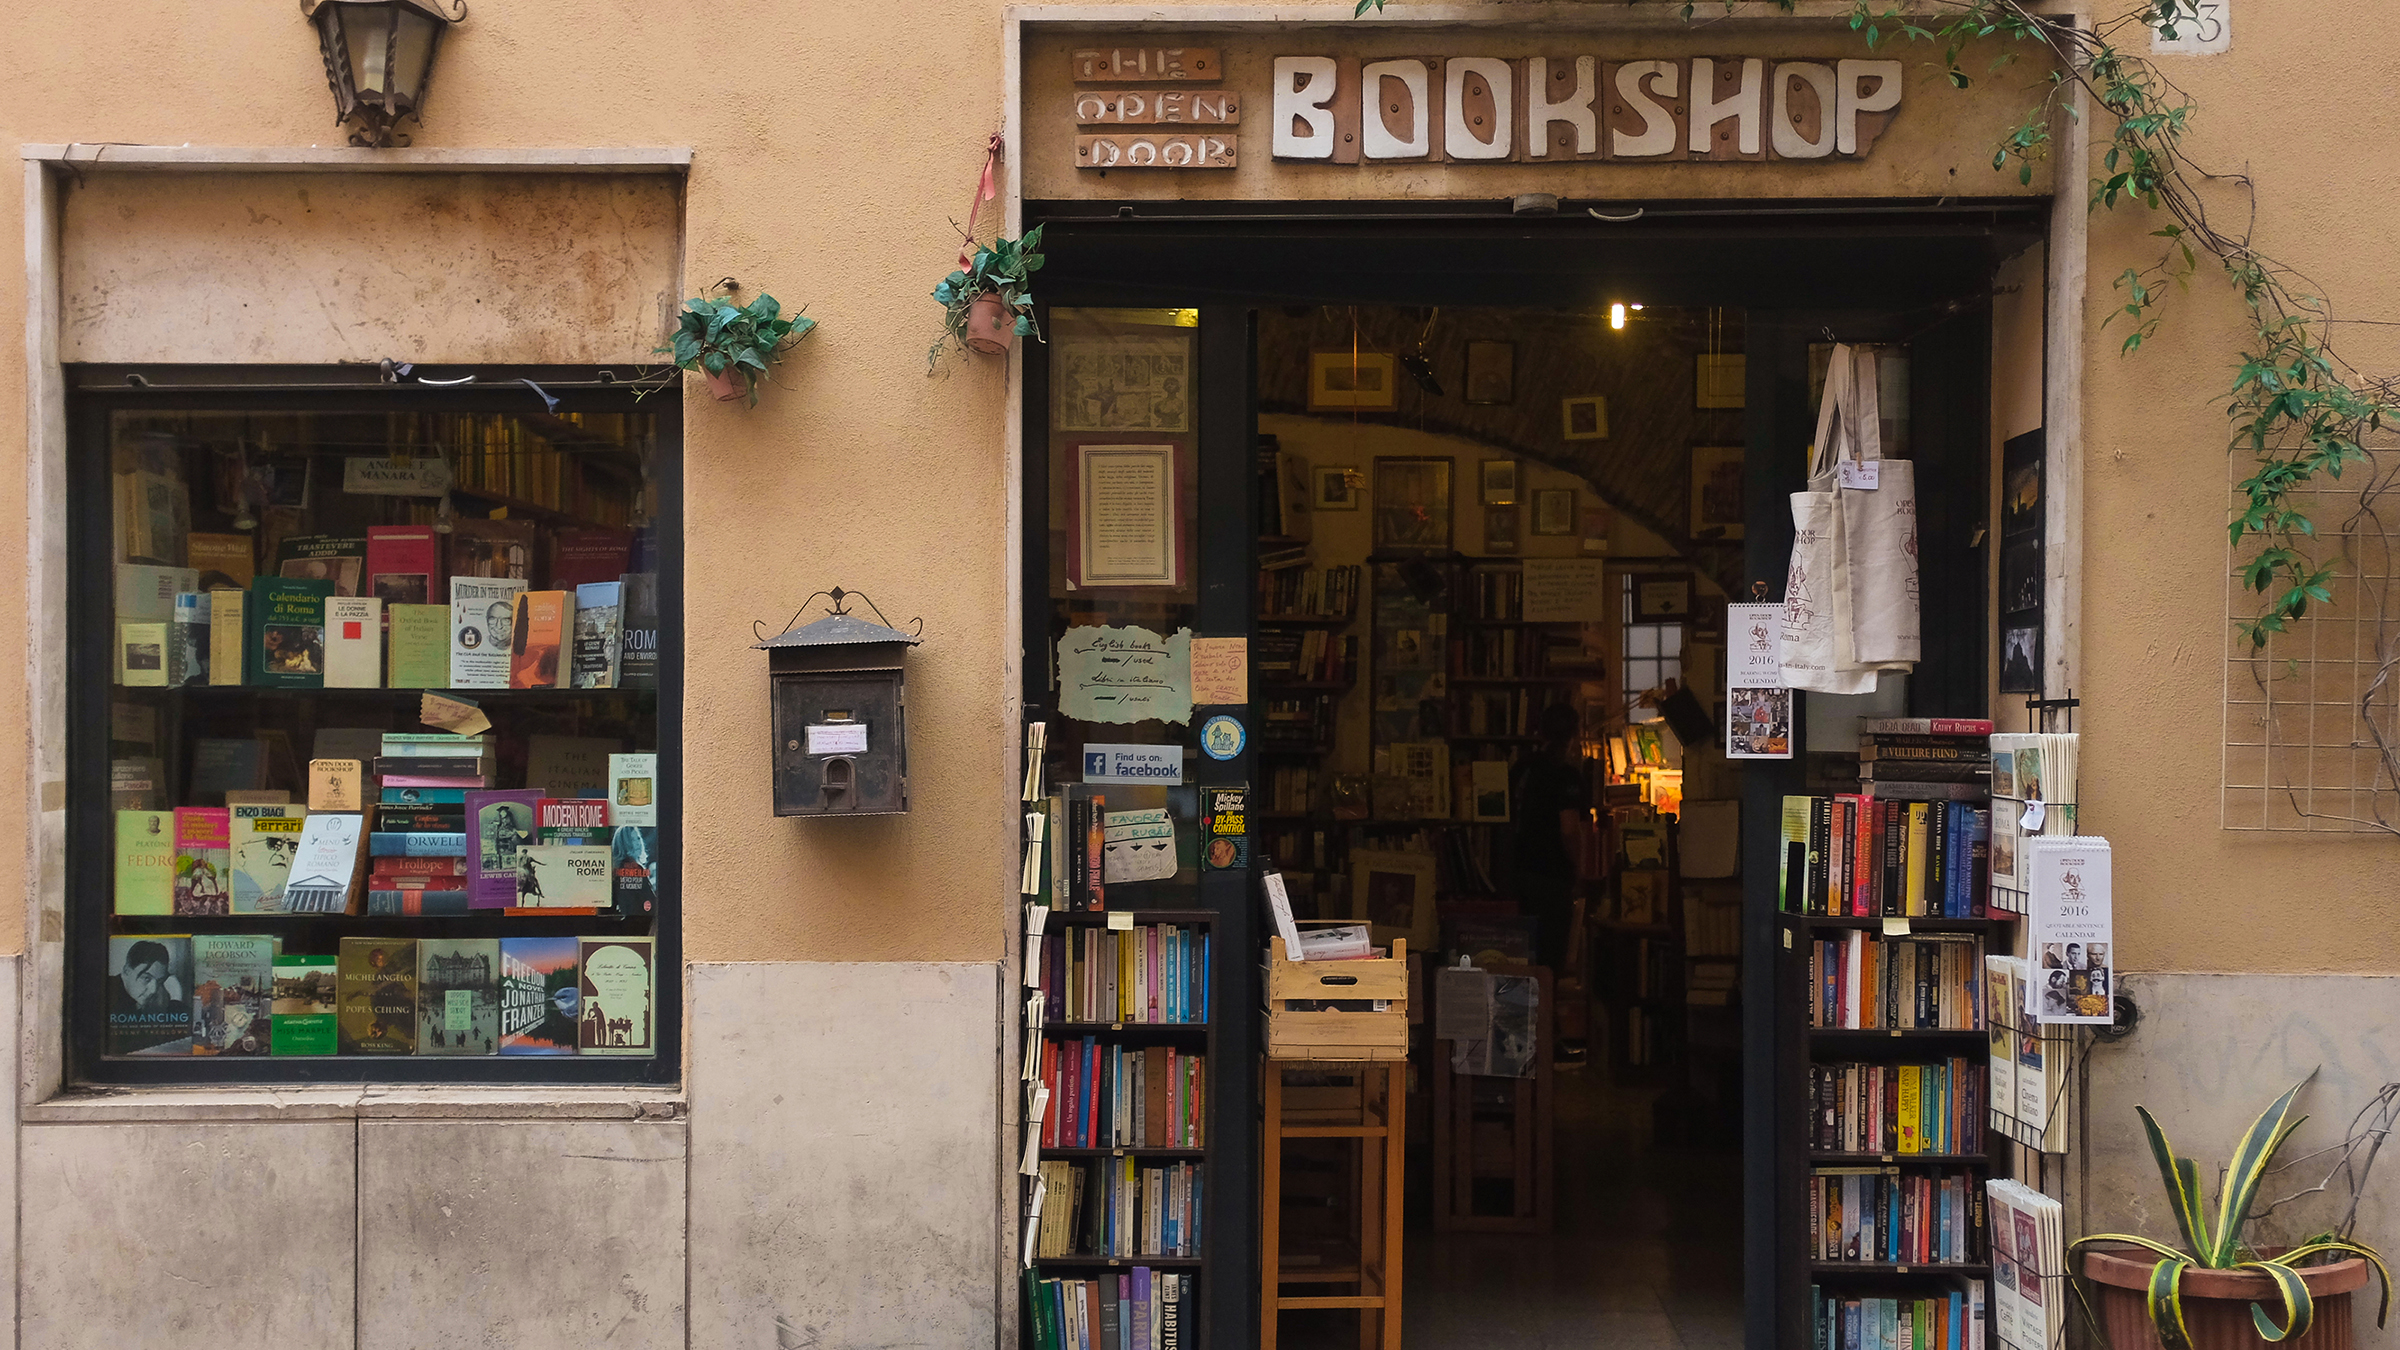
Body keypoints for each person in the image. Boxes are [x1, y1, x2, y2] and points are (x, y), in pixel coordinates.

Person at [1509, 701, 1591, 974]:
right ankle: (1546, 1013)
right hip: (1552, 876)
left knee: (1521, 955)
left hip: (1518, 870)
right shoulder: (1565, 775)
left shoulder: (1522, 768)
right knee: (1549, 959)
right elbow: (1568, 828)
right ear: (1573, 735)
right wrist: (1579, 867)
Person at [111, 940, 178, 1018]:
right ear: (126, 971)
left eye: (160, 981)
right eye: (146, 978)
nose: (153, 990)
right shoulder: (106, 991)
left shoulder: (159, 997)